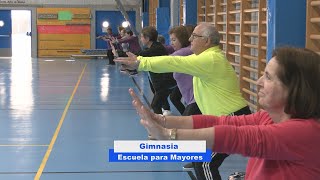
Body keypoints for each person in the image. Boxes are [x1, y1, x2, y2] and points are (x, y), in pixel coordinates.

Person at [128, 47, 320, 180]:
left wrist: (170, 136)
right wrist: (162, 121)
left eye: (269, 77)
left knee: (204, 163)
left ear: (295, 89)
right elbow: (220, 122)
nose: (259, 81)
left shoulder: (306, 132)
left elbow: (239, 137)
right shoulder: (269, 118)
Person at [116, 22, 250, 180]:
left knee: (204, 162)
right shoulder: (203, 57)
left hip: (233, 118)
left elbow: (175, 62)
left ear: (207, 41)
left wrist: (141, 62)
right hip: (222, 119)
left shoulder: (211, 59)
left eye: (195, 36)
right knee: (199, 157)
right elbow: (172, 59)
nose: (190, 39)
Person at [135, 26, 177, 115]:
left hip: (166, 81)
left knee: (155, 105)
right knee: (159, 97)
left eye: (142, 37)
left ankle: (161, 125)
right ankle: (166, 110)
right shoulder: (152, 48)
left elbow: (139, 55)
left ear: (147, 38)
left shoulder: (156, 48)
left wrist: (120, 54)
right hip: (159, 82)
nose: (141, 39)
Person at [168, 25, 200, 116]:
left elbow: (165, 61)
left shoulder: (185, 52)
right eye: (171, 40)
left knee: (185, 127)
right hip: (192, 100)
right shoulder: (184, 51)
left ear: (182, 39)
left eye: (174, 40)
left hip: (196, 100)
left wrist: (140, 62)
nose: (171, 43)